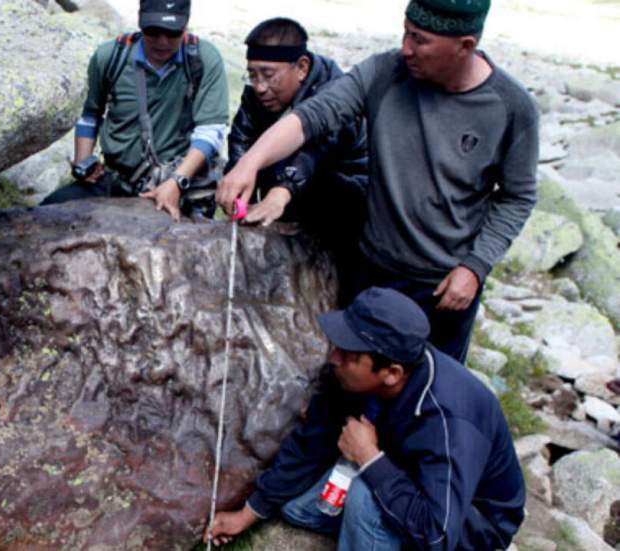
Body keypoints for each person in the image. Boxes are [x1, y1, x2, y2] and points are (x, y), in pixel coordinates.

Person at [217, 0, 539, 363]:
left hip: (445, 284)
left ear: (464, 45)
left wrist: (475, 267)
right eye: (405, 33)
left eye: (420, 40)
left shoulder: (510, 108)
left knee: (428, 395)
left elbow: (518, 197)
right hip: (375, 268)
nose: (406, 48)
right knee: (357, 381)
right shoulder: (385, 72)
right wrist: (251, 162)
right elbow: (314, 116)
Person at [204, 287, 526, 551]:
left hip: (467, 525)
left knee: (363, 496)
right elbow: (311, 442)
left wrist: (369, 459)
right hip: (401, 471)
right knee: (293, 506)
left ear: (391, 373)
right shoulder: (352, 376)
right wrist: (249, 513)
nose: (334, 358)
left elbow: (438, 535)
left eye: (348, 355)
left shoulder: (447, 419)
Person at [41, 0, 230, 221]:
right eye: (153, 32)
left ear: (186, 27)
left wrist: (177, 182)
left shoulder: (204, 59)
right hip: (117, 178)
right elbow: (90, 114)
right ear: (140, 22)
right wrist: (84, 163)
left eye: (172, 33)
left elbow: (211, 129)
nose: (162, 42)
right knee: (47, 212)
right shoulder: (110, 57)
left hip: (179, 182)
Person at [227, 17, 368, 305]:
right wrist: (236, 180)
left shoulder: (338, 92)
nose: (260, 87)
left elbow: (319, 148)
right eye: (252, 76)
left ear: (301, 67)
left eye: (268, 75)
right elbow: (242, 135)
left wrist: (283, 190)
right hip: (287, 198)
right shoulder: (257, 96)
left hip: (343, 205)